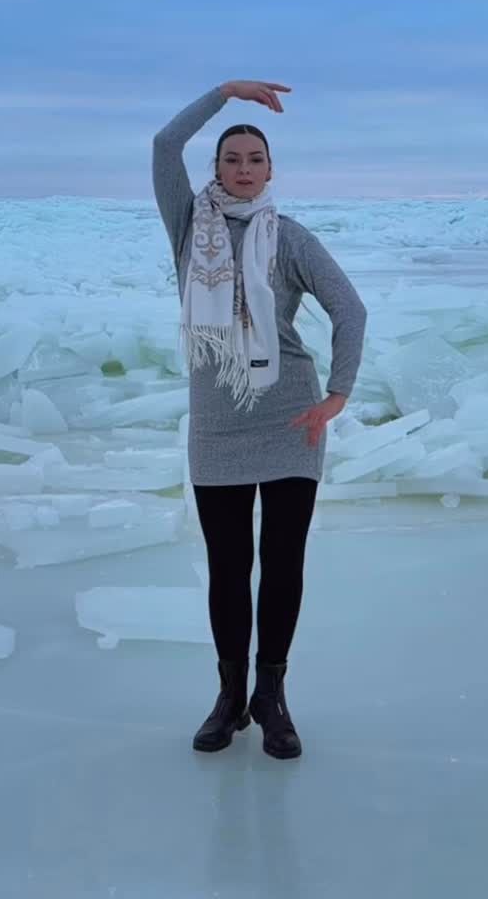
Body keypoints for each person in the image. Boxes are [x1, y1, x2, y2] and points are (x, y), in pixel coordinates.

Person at [152, 79, 367, 759]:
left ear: (272, 171)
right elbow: (164, 143)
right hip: (217, 420)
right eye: (231, 159)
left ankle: (270, 698)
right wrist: (225, 94)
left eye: (254, 159)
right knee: (227, 563)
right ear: (214, 170)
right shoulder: (190, 226)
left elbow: (350, 311)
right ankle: (228, 697)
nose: (243, 169)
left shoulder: (292, 239)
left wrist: (337, 393)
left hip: (289, 416)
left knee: (281, 561)